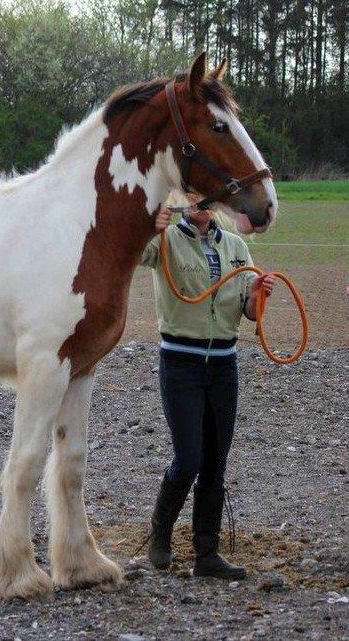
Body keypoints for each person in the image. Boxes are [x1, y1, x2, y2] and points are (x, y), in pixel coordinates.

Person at [140, 193, 275, 579]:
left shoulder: (236, 246)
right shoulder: (163, 241)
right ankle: (159, 533)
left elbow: (249, 312)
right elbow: (132, 254)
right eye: (192, 194)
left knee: (216, 460)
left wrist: (257, 296)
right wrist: (153, 224)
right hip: (180, 362)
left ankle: (207, 553)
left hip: (223, 366)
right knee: (189, 457)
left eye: (206, 196)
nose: (200, 201)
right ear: (180, 200)